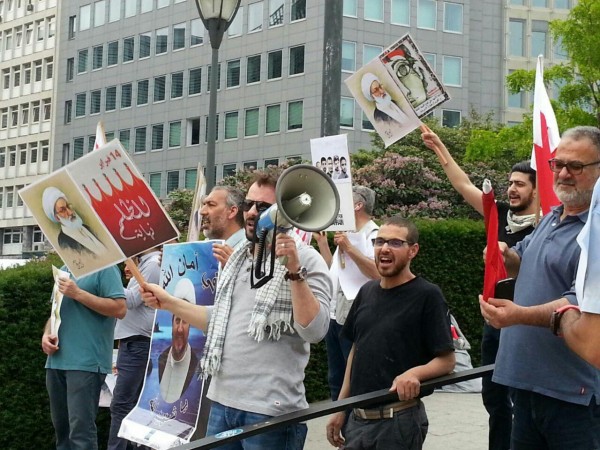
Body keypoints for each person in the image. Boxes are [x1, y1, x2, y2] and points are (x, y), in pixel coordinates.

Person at [141, 171, 332, 449]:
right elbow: (218, 319)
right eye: (249, 205)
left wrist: (293, 272)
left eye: (264, 207)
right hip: (222, 403)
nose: (253, 213)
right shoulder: (239, 258)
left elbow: (315, 330)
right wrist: (166, 302)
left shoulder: (307, 260)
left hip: (269, 411)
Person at [480, 126, 600, 449]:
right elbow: (522, 259)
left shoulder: (595, 232)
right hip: (527, 387)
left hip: (573, 396)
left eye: (575, 166)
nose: (562, 173)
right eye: (557, 164)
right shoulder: (552, 216)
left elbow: (578, 306)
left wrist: (517, 315)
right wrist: (504, 255)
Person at [422, 125, 537, 450]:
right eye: (510, 183)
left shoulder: (547, 223)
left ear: (536, 190)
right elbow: (462, 185)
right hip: (494, 324)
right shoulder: (497, 213)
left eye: (520, 184)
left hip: (527, 323)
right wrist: (439, 148)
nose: (512, 189)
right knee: (494, 399)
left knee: (524, 403)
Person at [326, 216, 455, 450]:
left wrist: (415, 373)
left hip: (398, 422)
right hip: (357, 421)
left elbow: (447, 360)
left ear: (412, 250)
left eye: (395, 243)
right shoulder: (366, 292)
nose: (384, 248)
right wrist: (340, 408)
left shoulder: (428, 295)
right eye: (379, 241)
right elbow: (356, 350)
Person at [42, 266, 126, 450]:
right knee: (62, 432)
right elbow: (56, 311)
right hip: (56, 360)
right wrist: (46, 334)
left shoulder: (106, 268)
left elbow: (120, 308)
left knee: (81, 434)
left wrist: (78, 293)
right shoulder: (63, 269)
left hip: (86, 362)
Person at [313, 185, 379, 401]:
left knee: (353, 378)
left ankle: (353, 425)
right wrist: (323, 244)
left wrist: (350, 248)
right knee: (336, 378)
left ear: (358, 205)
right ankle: (339, 423)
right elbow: (336, 270)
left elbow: (378, 272)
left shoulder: (373, 234)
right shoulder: (347, 235)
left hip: (354, 317)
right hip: (335, 315)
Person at [108, 248, 161, 450]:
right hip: (134, 342)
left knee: (122, 403)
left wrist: (105, 281)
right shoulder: (147, 262)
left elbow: (131, 300)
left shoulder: (154, 262)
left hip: (139, 342)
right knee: (131, 404)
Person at [158, 279, 199, 403]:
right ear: (171, 324)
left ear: (190, 326)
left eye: (185, 322)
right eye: (177, 321)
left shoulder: (197, 366)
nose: (180, 329)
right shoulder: (161, 359)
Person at [42, 186, 108, 256]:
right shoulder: (64, 241)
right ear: (57, 218)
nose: (70, 212)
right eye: (63, 210)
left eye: (68, 206)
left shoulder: (86, 227)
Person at [200, 185, 246, 264]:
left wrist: (234, 267)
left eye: (211, 204)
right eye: (204, 205)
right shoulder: (201, 249)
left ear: (232, 211)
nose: (202, 211)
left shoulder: (251, 250)